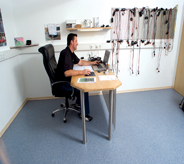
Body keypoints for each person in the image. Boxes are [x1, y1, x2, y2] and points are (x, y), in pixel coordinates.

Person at [55, 33, 99, 121]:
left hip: (66, 80)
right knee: (84, 88)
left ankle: (78, 104)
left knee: (81, 81)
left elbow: (80, 62)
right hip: (63, 83)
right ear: (71, 42)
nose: (77, 43)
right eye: (76, 41)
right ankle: (84, 114)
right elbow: (67, 73)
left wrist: (92, 62)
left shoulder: (70, 52)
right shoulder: (66, 54)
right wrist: (82, 72)